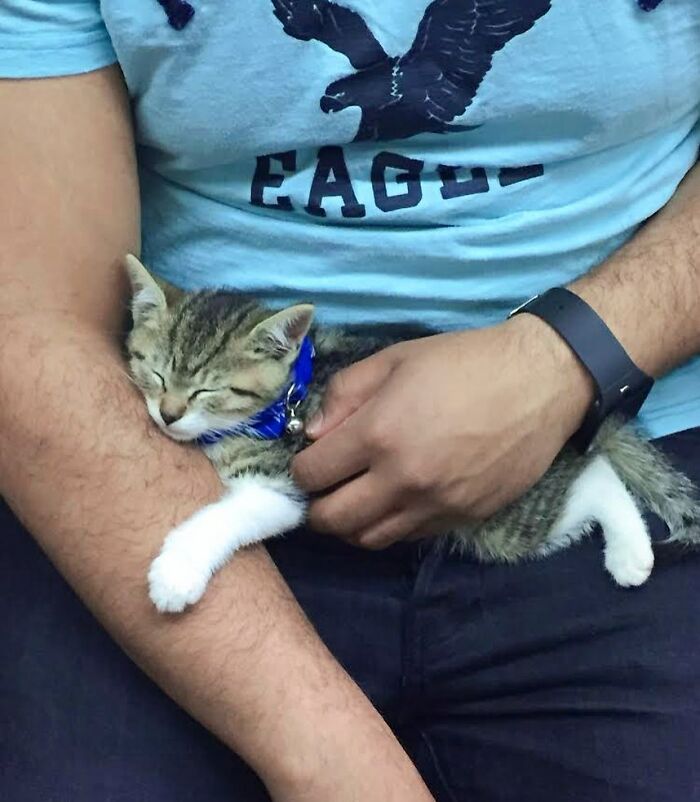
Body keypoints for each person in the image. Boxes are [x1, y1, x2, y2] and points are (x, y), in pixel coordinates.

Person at [1, 1, 698, 800]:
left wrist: (567, 359)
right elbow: (33, 316)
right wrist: (329, 760)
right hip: (164, 471)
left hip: (624, 402)